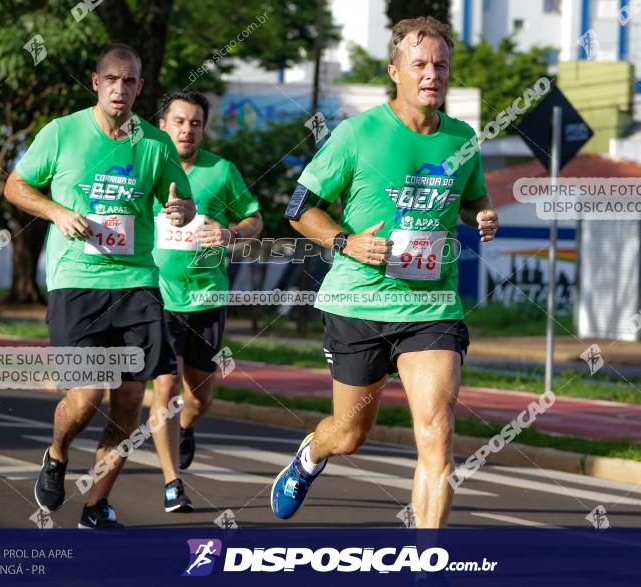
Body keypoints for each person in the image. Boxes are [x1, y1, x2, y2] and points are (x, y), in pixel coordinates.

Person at [270, 16, 499, 528]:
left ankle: (427, 560)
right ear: (395, 70)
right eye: (419, 64)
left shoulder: (462, 139)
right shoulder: (357, 134)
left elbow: (472, 195)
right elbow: (300, 207)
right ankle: (311, 456)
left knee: (437, 431)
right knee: (350, 435)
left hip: (431, 307)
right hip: (359, 305)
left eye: (440, 65)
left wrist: (479, 213)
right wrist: (346, 241)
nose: (431, 74)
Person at [3, 43, 196, 529]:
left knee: (131, 400)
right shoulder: (63, 133)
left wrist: (180, 211)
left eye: (129, 81)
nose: (120, 88)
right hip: (76, 283)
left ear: (139, 87)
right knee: (86, 396)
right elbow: (15, 186)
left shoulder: (155, 144)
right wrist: (56, 211)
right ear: (96, 82)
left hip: (137, 284)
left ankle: (97, 503)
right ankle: (57, 450)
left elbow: (183, 202)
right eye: (112, 79)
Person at [151, 90, 262, 512]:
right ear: (163, 125)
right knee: (164, 386)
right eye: (179, 121)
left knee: (199, 398)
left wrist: (232, 234)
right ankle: (171, 483)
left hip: (206, 297)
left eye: (195, 122)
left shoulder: (221, 170)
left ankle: (187, 425)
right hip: (157, 294)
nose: (187, 129)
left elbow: (255, 218)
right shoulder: (147, 167)